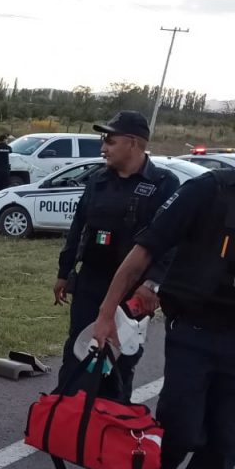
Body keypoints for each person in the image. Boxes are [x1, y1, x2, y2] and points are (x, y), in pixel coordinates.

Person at [91, 165, 235, 469]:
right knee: (182, 431)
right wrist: (105, 316)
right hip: (194, 330)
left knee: (224, 444)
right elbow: (144, 252)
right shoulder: (209, 190)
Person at [53, 111, 178, 403]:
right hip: (91, 282)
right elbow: (78, 227)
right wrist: (64, 271)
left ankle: (110, 420)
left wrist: (153, 283)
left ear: (132, 143)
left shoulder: (163, 184)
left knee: (120, 359)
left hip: (133, 291)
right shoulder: (97, 181)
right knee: (78, 350)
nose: (103, 147)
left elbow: (174, 242)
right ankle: (67, 415)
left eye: (110, 140)